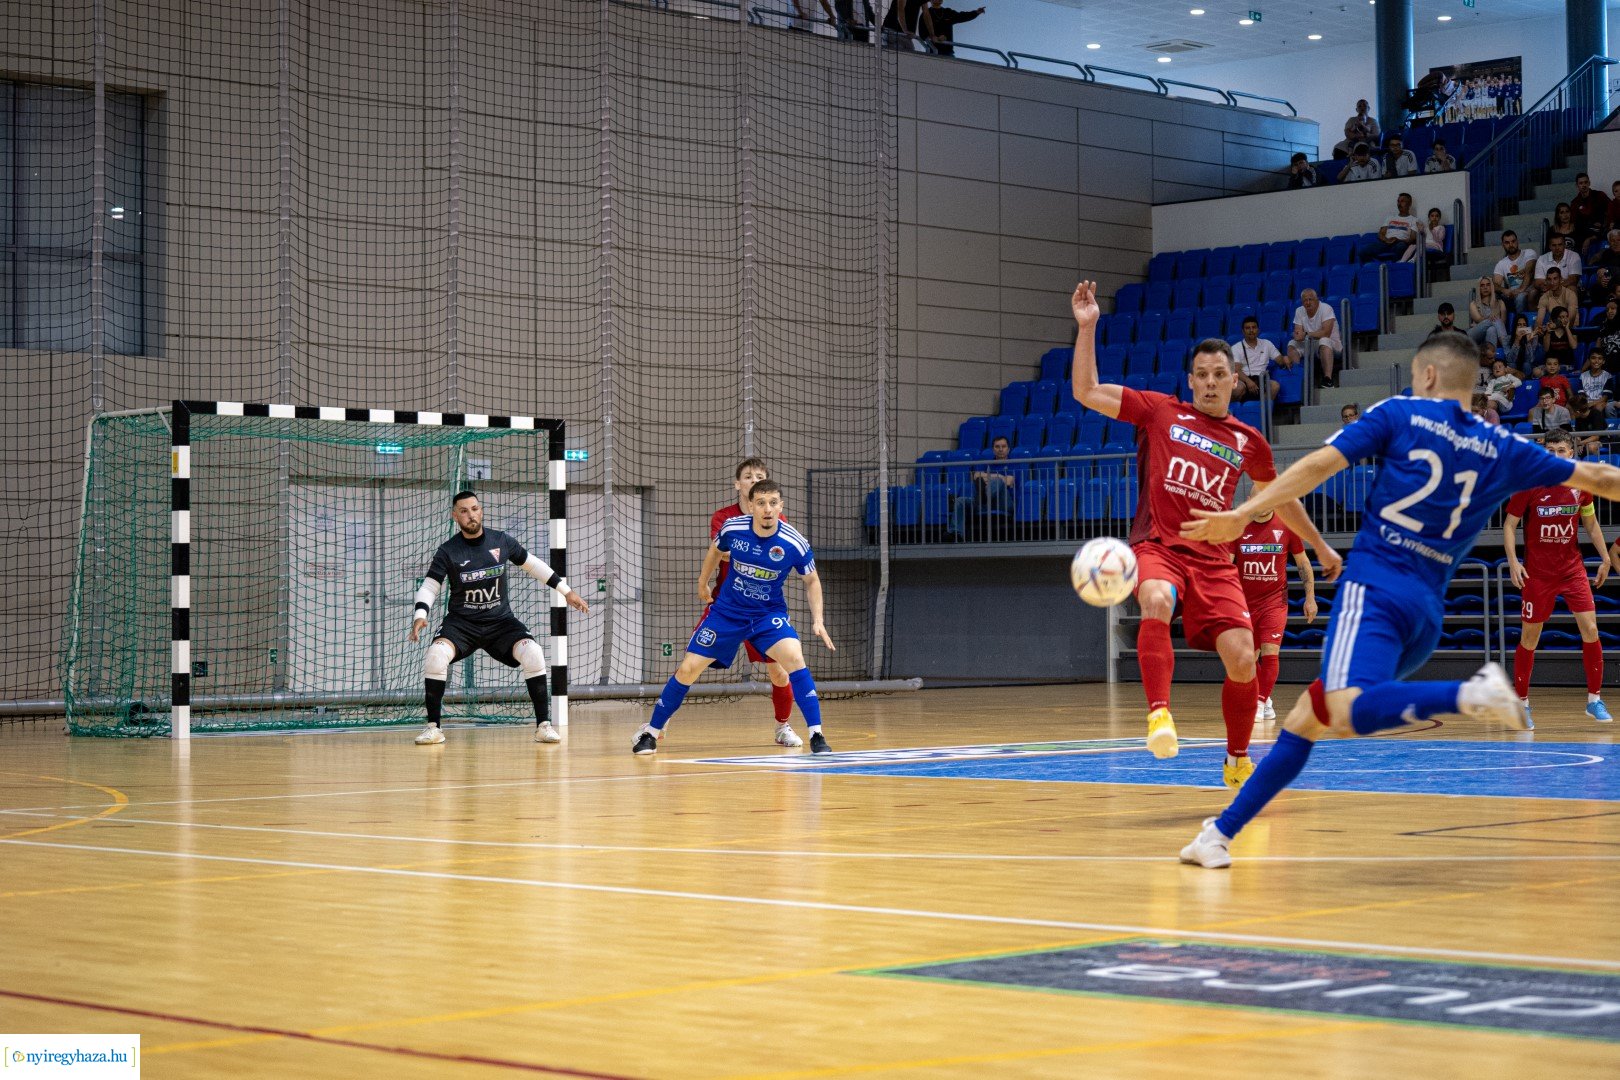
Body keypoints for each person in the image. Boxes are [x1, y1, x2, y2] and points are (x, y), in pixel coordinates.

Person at [1177, 333, 1620, 869]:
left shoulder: (1401, 413)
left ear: (1428, 376)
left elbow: (1321, 463)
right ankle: (1219, 836)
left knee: (1343, 709)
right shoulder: (1502, 445)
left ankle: (1468, 694)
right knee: (1308, 716)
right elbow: (1599, 477)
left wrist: (1243, 513)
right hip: (1426, 613)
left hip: (1376, 594)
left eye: (1414, 375)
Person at [1070, 280, 1341, 789]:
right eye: (1202, 375)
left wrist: (1321, 546)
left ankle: (1237, 758)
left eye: (1220, 375)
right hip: (1159, 546)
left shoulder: (1248, 441)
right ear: (1190, 381)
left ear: (1235, 380)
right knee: (1153, 598)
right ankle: (1158, 716)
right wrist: (1087, 328)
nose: (1211, 382)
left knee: (1243, 659)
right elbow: (1085, 391)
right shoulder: (1158, 411)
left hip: (1216, 560)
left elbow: (1281, 498)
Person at [633, 479, 833, 755]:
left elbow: (812, 580)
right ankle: (651, 734)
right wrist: (703, 583)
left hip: (767, 616)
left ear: (781, 506)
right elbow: (716, 550)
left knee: (793, 658)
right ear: (751, 506)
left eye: (773, 503)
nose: (767, 509)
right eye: (761, 503)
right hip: (727, 613)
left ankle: (817, 735)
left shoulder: (793, 542)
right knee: (688, 668)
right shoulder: (733, 528)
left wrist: (818, 620)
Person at [409, 491, 591, 746]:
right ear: (455, 516)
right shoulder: (448, 551)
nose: (471, 515)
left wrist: (566, 591)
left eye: (474, 509)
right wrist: (420, 614)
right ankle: (433, 728)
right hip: (462, 623)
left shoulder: (501, 541)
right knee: (436, 656)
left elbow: (534, 565)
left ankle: (543, 726)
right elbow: (430, 586)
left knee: (534, 653)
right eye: (464, 511)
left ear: (480, 510)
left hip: (500, 622)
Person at [1504, 429, 1614, 726]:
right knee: (1530, 638)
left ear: (1571, 453)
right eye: (1549, 450)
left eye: (1561, 450)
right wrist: (1514, 561)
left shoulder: (1582, 486)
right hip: (1538, 574)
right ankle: (1522, 703)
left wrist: (1605, 558)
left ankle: (1594, 700)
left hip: (1572, 570)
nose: (1555, 456)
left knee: (1591, 630)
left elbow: (1590, 524)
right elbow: (1510, 525)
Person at [703, 457, 802, 747]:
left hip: (762, 610)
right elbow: (720, 552)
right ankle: (659, 725)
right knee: (690, 664)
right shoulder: (725, 518)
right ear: (738, 484)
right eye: (748, 476)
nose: (754, 480)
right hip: (727, 606)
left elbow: (782, 553)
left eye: (760, 476)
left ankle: (782, 727)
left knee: (779, 669)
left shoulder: (778, 520)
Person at [1237, 511, 1317, 728]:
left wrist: (1310, 597)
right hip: (1245, 602)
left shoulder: (1287, 525)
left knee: (1270, 651)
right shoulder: (1238, 524)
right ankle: (1266, 696)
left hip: (1274, 601)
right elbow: (1225, 564)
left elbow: (1303, 563)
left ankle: (1260, 702)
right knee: (1248, 659)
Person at [951, 435, 1015, 539]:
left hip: (1004, 503)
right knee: (960, 501)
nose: (1000, 449)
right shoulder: (988, 465)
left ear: (1008, 449)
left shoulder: (1014, 464)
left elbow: (1008, 481)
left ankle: (983, 497)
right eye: (997, 446)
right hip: (983, 502)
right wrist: (1000, 476)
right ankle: (955, 533)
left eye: (1003, 446)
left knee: (998, 482)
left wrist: (994, 477)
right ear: (993, 449)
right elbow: (976, 476)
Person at [1288, 288, 1343, 388]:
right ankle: (1297, 377)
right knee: (1292, 344)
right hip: (1311, 343)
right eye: (1305, 300)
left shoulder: (1326, 308)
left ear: (1317, 299)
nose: (1308, 302)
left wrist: (1305, 334)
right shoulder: (1299, 311)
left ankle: (1328, 379)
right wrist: (1297, 335)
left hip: (1332, 345)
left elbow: (1326, 333)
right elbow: (1298, 332)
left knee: (1324, 340)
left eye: (1310, 299)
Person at [1230, 314, 1281, 402]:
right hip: (1243, 380)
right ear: (1243, 331)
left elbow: (1280, 360)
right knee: (1237, 388)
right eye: (1248, 328)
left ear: (1258, 330)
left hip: (1261, 380)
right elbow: (1236, 370)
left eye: (1254, 327)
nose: (1251, 330)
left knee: (1274, 386)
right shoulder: (1236, 348)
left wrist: (1286, 359)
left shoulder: (1266, 344)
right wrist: (1248, 381)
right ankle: (1236, 411)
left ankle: (1261, 411)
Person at [1493, 231, 1538, 314]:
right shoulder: (1501, 264)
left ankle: (1520, 323)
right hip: (1512, 294)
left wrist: (1521, 290)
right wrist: (1504, 290)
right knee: (1495, 296)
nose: (1511, 245)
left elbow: (1530, 272)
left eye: (1513, 241)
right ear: (1503, 245)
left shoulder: (1529, 253)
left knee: (1520, 297)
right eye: (1507, 242)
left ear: (1517, 242)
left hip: (1530, 289)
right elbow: (1495, 285)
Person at [1372, 192, 1420, 262]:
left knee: (1401, 247)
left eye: (1402, 201)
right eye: (1398, 201)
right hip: (1385, 243)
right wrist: (1386, 240)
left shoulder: (1414, 220)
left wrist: (1398, 240)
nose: (1399, 204)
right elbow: (1380, 234)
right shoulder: (1390, 218)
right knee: (1363, 251)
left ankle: (1395, 268)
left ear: (1409, 204)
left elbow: (1412, 239)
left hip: (1400, 243)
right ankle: (1373, 269)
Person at [1533, 235, 1582, 303]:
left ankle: (1571, 312)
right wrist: (1544, 287)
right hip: (1548, 288)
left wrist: (1555, 288)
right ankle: (1534, 314)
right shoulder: (1542, 259)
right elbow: (1538, 281)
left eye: (1560, 245)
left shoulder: (1574, 256)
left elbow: (1573, 279)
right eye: (1554, 245)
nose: (1557, 248)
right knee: (1533, 293)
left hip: (1566, 287)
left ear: (1564, 245)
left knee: (1571, 288)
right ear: (1550, 246)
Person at [1572, 172, 1611, 256]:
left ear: (1589, 183)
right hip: (1584, 233)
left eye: (1586, 182)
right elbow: (1575, 222)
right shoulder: (1575, 203)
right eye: (1581, 183)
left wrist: (1604, 223)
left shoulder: (1600, 195)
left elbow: (1610, 211)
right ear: (1577, 185)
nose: (1584, 185)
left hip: (1601, 230)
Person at [1467, 277, 1508, 349]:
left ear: (1492, 287)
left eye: (1488, 285)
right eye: (1482, 285)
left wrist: (1495, 321)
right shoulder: (1473, 304)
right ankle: (1507, 348)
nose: (1485, 287)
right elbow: (1479, 320)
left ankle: (1491, 356)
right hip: (1475, 334)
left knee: (1491, 329)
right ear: (1478, 288)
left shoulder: (1500, 303)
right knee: (1495, 321)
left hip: (1494, 334)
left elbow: (1502, 323)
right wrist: (1492, 319)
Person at [1581, 349, 1616, 415]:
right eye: (1593, 358)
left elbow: (1605, 397)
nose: (1596, 361)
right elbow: (1581, 394)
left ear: (1603, 361)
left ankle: (1597, 424)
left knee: (1598, 407)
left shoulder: (1607, 376)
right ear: (1589, 360)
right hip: (1587, 402)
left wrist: (1592, 403)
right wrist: (1585, 404)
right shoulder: (1583, 376)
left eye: (1600, 358)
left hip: (1601, 402)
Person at [1423, 207, 1449, 281]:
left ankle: (1432, 280)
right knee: (1416, 247)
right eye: (1432, 216)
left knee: (1426, 252)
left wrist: (1432, 230)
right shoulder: (1426, 228)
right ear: (1429, 217)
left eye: (1437, 216)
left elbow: (1439, 239)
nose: (1434, 218)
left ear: (1439, 218)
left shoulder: (1441, 228)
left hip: (1436, 247)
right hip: (1426, 248)